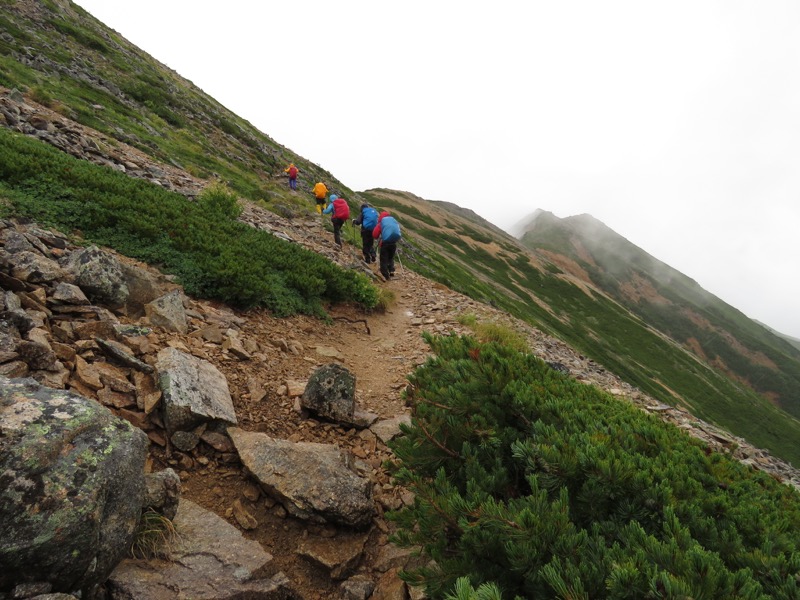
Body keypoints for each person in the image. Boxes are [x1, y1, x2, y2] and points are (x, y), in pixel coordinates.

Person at [372, 211, 401, 279]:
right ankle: (391, 270)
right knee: (390, 257)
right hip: (394, 242)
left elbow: (375, 234)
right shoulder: (393, 220)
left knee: (383, 259)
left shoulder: (382, 222)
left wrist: (378, 236)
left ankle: (385, 274)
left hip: (385, 243)